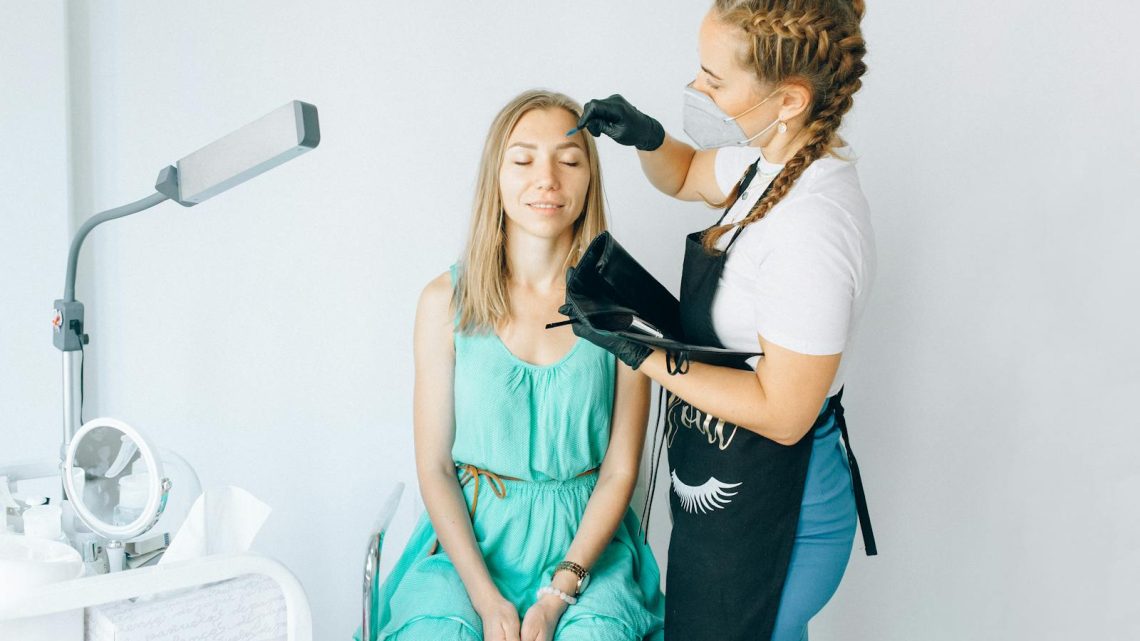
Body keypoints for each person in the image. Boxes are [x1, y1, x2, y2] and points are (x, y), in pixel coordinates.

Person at [570, 2, 876, 639]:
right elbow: (686, 174)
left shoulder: (811, 232)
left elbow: (784, 413)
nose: (698, 88)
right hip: (729, 476)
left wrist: (641, 352)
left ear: (788, 99)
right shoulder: (770, 164)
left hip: (783, 504)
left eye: (715, 78)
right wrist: (648, 138)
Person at [360, 90, 664, 641]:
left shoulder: (623, 309)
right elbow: (434, 468)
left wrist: (557, 595)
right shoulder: (443, 303)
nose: (547, 179)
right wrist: (486, 599)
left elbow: (621, 470)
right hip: (467, 550)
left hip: (585, 551)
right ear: (495, 180)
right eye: (523, 160)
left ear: (588, 179)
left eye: (569, 161)